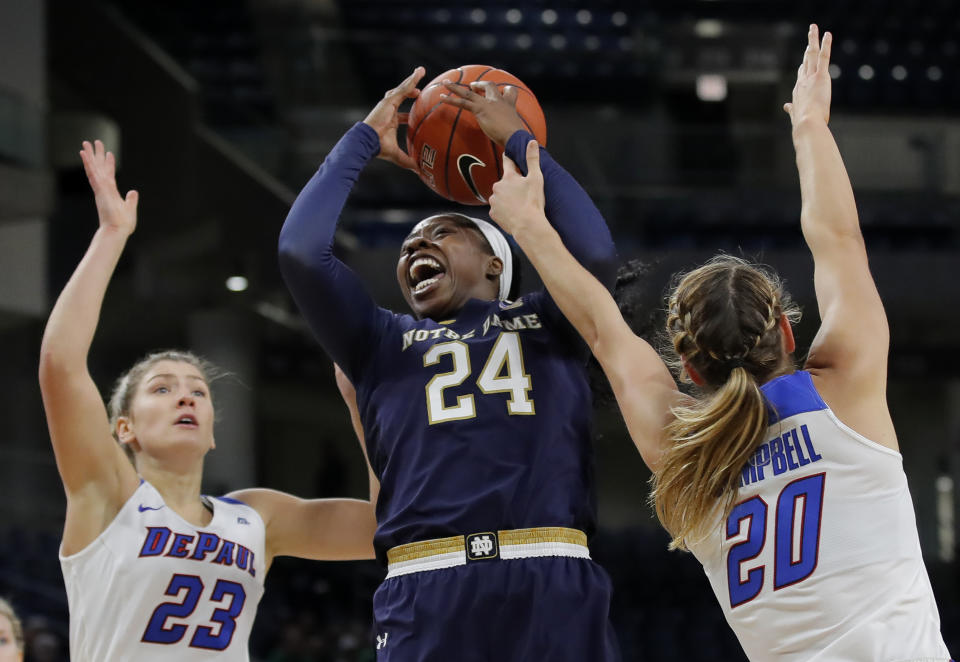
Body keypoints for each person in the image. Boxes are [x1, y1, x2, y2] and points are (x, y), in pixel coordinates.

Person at [488, 25, 952, 662]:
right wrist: (810, 126)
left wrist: (525, 226)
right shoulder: (844, 387)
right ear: (786, 330)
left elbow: (602, 328)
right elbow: (838, 240)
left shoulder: (684, 447)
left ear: (686, 366)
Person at [278, 68, 621, 660]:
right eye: (409, 245)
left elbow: (592, 252)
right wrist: (362, 138)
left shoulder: (552, 322)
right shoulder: (378, 342)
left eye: (443, 232)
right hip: (424, 584)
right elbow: (302, 251)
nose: (417, 246)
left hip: (549, 573)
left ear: (496, 264)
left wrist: (520, 142)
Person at [39, 140, 378, 661]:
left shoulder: (256, 518)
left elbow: (389, 526)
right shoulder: (107, 494)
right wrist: (111, 236)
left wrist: (362, 408)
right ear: (124, 428)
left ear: (214, 430)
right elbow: (61, 364)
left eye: (198, 391)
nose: (186, 398)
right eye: (162, 388)